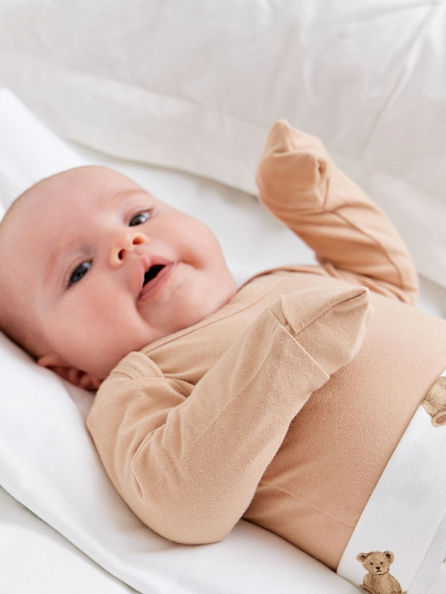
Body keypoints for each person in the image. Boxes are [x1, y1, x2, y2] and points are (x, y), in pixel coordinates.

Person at [1, 120, 446, 592]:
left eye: (137, 218)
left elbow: (385, 285)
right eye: (79, 269)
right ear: (73, 370)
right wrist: (282, 353)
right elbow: (181, 501)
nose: (124, 243)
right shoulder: (139, 381)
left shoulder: (277, 279)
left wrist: (311, 197)